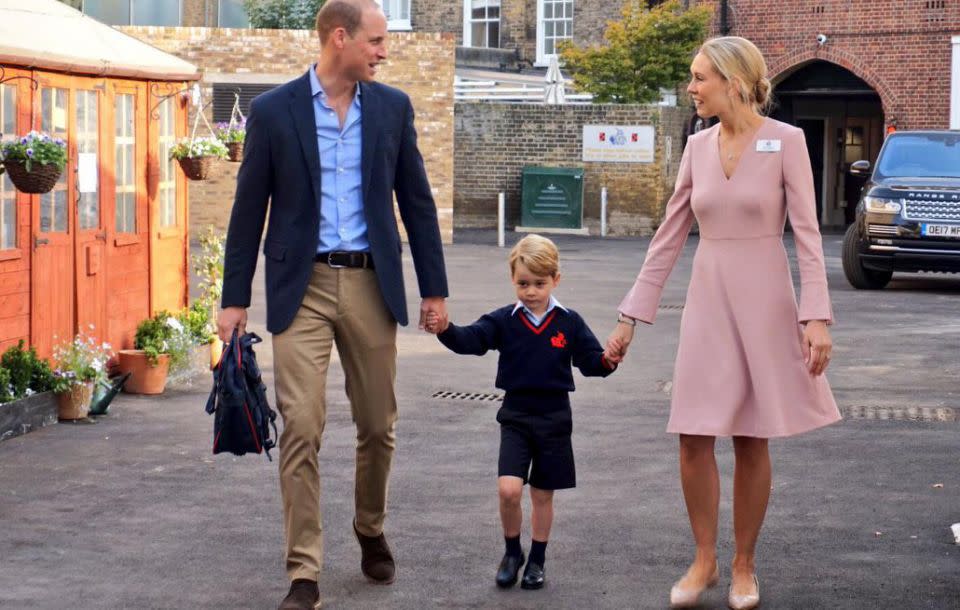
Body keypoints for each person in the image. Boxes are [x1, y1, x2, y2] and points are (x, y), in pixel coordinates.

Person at [216, 1, 448, 608]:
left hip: (373, 284)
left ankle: (369, 527)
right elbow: (247, 213)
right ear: (339, 38)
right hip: (303, 288)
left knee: (378, 424)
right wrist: (233, 301)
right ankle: (304, 571)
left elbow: (417, 204)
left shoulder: (393, 108)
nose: (383, 51)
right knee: (302, 426)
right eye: (375, 40)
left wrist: (435, 290)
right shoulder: (273, 111)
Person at [606, 37, 841, 610]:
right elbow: (667, 238)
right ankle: (704, 559)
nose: (691, 87)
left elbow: (809, 238)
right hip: (707, 303)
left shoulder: (787, 142)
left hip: (765, 301)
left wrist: (816, 317)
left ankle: (743, 564)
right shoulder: (696, 147)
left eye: (699, 77)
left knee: (751, 437)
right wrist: (630, 317)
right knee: (692, 434)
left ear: (733, 81)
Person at [424, 234, 620, 591]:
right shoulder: (504, 320)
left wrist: (608, 360)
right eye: (523, 283)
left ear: (555, 280)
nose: (531, 291)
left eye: (539, 284)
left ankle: (538, 561)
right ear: (512, 279)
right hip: (515, 416)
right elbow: (472, 340)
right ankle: (512, 553)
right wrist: (445, 329)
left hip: (555, 418)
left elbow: (591, 362)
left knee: (543, 495)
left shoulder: (569, 322)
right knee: (509, 490)